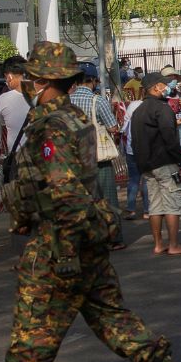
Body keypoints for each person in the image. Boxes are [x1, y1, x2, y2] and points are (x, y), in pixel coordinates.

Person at [0, 42, 181, 362]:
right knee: (112, 319)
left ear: (44, 81)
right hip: (83, 239)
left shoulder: (51, 125)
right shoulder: (72, 117)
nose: (27, 83)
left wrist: (60, 249)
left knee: (31, 330)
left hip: (59, 243)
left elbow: (63, 192)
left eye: (31, 78)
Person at [133, 74, 181, 256]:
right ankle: (174, 244)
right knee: (172, 203)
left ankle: (159, 244)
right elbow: (170, 138)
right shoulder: (162, 109)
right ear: (156, 87)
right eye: (164, 84)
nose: (167, 87)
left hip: (147, 166)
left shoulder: (138, 111)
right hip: (165, 163)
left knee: (155, 206)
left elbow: (135, 141)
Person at [70, 63, 125, 249]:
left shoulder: (66, 101)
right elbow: (112, 128)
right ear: (93, 81)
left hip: (75, 158)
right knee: (107, 198)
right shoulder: (98, 101)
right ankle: (113, 239)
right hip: (99, 158)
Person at [0, 56, 31, 153]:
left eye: (5, 78)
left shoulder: (3, 100)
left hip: (18, 157)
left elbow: (1, 122)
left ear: (9, 77)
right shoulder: (42, 94)